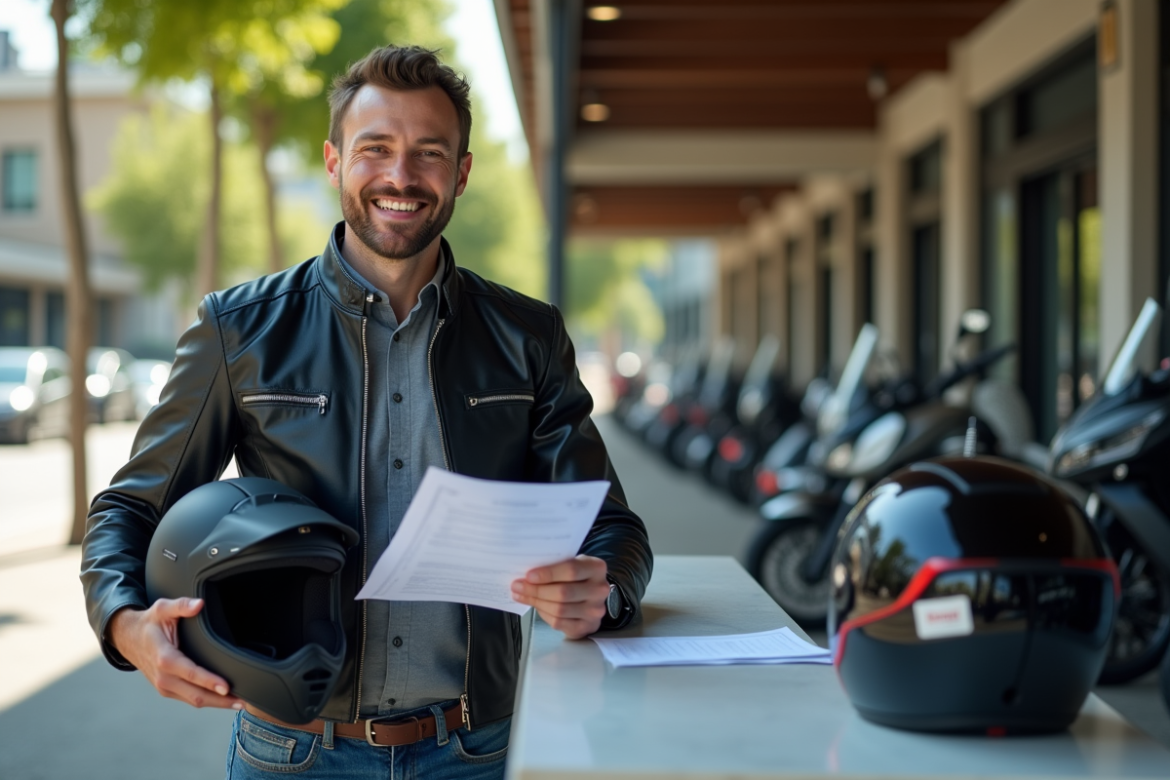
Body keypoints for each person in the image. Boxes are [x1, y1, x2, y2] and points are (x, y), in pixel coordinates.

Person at [80, 44, 652, 779]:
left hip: (481, 747)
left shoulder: (528, 335)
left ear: (463, 173)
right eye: (375, 149)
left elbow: (612, 524)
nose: (401, 177)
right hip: (292, 749)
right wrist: (125, 624)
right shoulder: (239, 328)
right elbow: (128, 508)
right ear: (332, 160)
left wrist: (601, 589)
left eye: (429, 153)